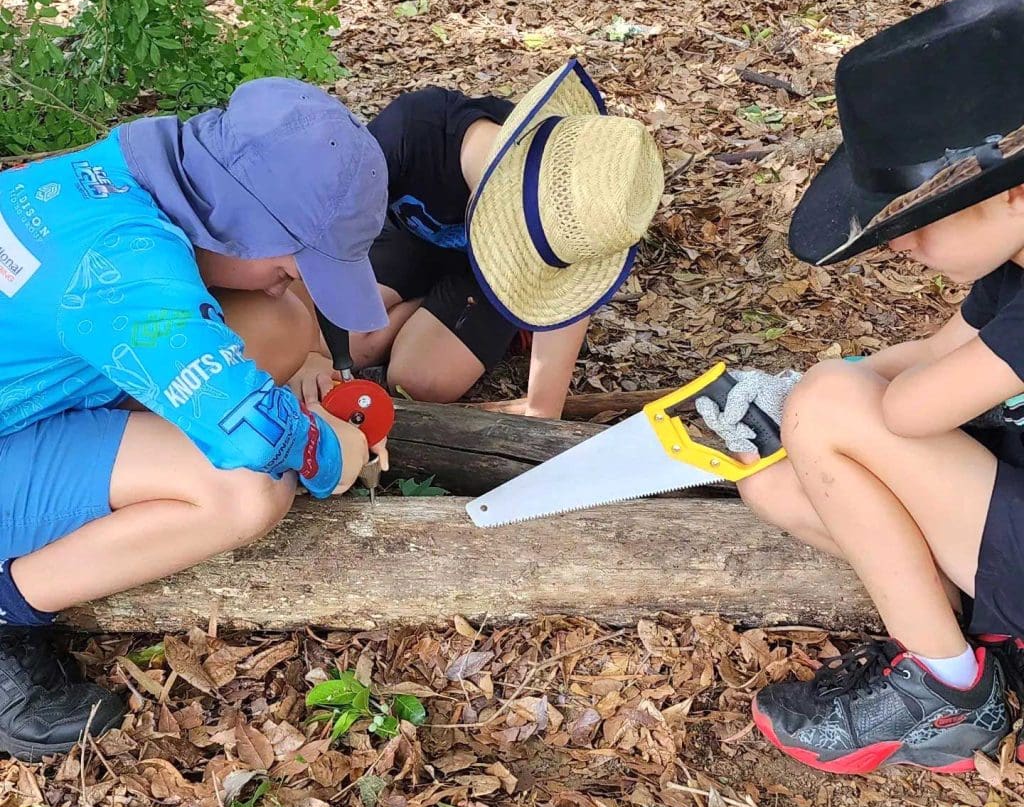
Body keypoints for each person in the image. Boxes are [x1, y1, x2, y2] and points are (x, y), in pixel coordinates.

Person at [0, 77, 388, 759]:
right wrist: (335, 450)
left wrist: (290, 367)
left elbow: (228, 321)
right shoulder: (123, 265)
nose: (292, 279)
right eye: (295, 263)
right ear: (244, 222)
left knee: (278, 325)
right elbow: (257, 436)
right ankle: (8, 610)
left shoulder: (117, 178)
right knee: (245, 490)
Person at [697, 0, 1024, 774]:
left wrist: (824, 398)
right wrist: (796, 384)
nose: (898, 242)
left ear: (1014, 190)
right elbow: (928, 353)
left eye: (921, 217)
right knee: (774, 486)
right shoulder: (1013, 267)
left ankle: (951, 693)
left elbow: (910, 411)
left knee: (831, 412)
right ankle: (971, 645)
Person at [290, 60, 664, 419]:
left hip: (498, 276)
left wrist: (542, 403)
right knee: (340, 343)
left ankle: (498, 319)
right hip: (413, 238)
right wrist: (307, 351)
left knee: (419, 380)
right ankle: (430, 310)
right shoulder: (412, 131)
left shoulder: (581, 211)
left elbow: (544, 405)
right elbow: (325, 233)